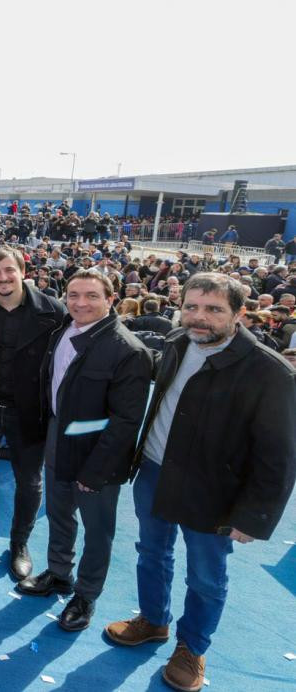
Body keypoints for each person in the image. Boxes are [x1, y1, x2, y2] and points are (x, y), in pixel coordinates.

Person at [105, 273, 296, 692]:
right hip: (155, 472)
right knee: (151, 552)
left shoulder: (270, 373)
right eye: (191, 306)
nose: (199, 317)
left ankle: (192, 647)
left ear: (240, 314)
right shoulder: (176, 341)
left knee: (206, 574)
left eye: (213, 309)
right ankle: (153, 620)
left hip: (215, 492)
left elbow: (278, 458)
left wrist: (254, 516)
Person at [18, 269, 153, 633]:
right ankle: (59, 573)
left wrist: (95, 470)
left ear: (111, 299)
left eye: (92, 296)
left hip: (98, 454)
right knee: (59, 512)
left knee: (97, 530)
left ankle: (86, 594)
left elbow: (125, 421)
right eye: (74, 295)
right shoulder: (63, 330)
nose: (81, 303)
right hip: (57, 438)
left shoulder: (128, 351)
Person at [0, 247, 66, 580]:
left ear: (23, 271)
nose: (2, 279)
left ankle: (19, 543)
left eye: (9, 271)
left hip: (30, 409)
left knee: (29, 481)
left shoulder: (54, 311)